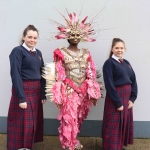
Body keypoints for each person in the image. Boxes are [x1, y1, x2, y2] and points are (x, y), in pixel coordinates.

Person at [46, 12, 101, 150]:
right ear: (67, 36)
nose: (75, 37)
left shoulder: (86, 53)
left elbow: (90, 72)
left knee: (77, 117)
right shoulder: (61, 52)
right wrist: (58, 94)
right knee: (68, 118)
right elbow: (59, 73)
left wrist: (94, 91)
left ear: (82, 36)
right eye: (73, 34)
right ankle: (68, 144)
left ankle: (73, 140)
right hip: (69, 90)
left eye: (78, 35)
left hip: (83, 90)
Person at [7, 25, 46, 150]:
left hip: (36, 90)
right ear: (24, 37)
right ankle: (19, 147)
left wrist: (43, 94)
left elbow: (43, 73)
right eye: (29, 37)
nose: (32, 40)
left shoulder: (38, 53)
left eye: (35, 38)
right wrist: (21, 97)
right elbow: (15, 74)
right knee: (21, 121)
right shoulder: (17, 51)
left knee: (32, 121)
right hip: (23, 89)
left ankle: (28, 146)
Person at [102, 38, 138, 150]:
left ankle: (119, 146)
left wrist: (132, 98)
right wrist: (118, 103)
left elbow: (133, 81)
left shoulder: (127, 63)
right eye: (117, 48)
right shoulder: (109, 63)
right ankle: (111, 147)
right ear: (112, 49)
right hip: (115, 98)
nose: (119, 50)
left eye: (121, 48)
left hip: (127, 98)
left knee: (123, 124)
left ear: (124, 49)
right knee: (113, 126)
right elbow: (109, 84)